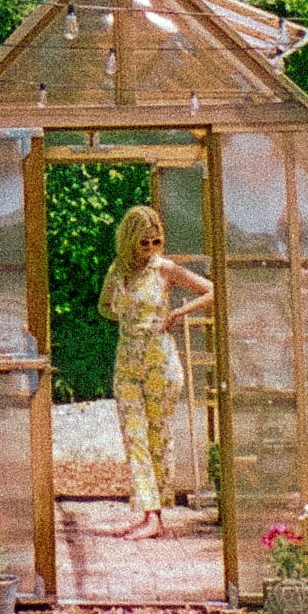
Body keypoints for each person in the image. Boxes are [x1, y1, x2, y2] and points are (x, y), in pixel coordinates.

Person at [100, 203, 212, 540]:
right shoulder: (117, 271)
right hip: (127, 361)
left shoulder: (165, 270)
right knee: (134, 437)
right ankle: (149, 513)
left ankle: (155, 515)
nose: (150, 249)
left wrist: (179, 313)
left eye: (156, 242)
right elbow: (104, 306)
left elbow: (211, 291)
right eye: (143, 243)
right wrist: (127, 319)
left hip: (160, 362)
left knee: (157, 437)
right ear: (129, 241)